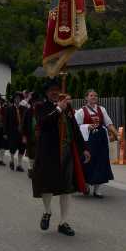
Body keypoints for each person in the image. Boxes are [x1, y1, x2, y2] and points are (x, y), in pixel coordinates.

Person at [32, 79, 90, 236]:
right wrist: (58, 109)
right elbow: (42, 124)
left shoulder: (68, 107)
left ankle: (63, 222)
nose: (55, 92)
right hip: (49, 153)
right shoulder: (40, 107)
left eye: (57, 89)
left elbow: (75, 130)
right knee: (47, 186)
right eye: (51, 90)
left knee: (66, 188)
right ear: (46, 93)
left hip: (67, 153)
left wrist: (84, 148)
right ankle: (47, 211)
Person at [75, 89, 118, 198]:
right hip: (89, 140)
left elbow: (108, 123)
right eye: (91, 95)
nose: (94, 97)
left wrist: (117, 134)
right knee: (88, 162)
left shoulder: (102, 109)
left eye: (95, 96)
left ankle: (97, 190)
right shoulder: (81, 111)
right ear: (86, 98)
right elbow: (75, 127)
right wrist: (87, 126)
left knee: (101, 162)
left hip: (101, 139)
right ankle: (85, 184)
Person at [6, 92, 27, 172]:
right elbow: (6, 122)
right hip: (12, 132)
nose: (17, 100)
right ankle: (12, 160)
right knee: (12, 148)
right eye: (16, 98)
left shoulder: (24, 109)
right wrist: (6, 133)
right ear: (14, 100)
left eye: (18, 98)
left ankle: (19, 164)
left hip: (22, 132)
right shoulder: (9, 109)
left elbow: (26, 121)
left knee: (22, 148)